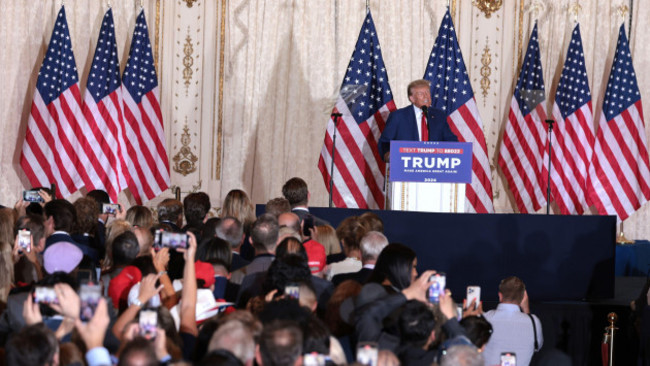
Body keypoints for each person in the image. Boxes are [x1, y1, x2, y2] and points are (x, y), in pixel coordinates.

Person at [378, 79, 458, 161]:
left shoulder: (438, 115)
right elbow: (385, 142)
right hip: (406, 165)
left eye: (428, 92)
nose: (426, 96)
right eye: (421, 94)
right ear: (412, 98)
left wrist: (458, 150)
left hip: (434, 164)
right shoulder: (398, 116)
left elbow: (450, 139)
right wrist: (388, 155)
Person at [482, 276, 543, 366]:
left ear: (500, 296)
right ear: (523, 298)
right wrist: (526, 309)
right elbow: (537, 346)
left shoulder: (484, 318)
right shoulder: (534, 322)